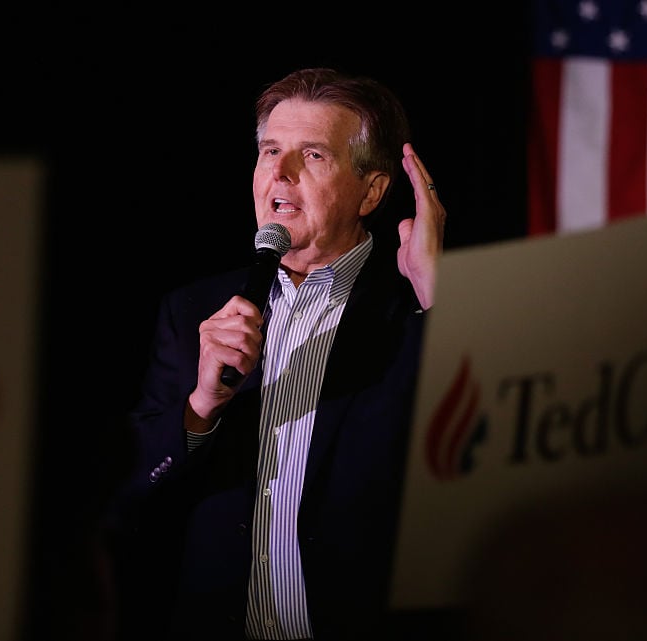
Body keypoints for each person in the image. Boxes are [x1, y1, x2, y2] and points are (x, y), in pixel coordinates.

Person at [109, 67, 446, 641]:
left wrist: (439, 292)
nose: (280, 174)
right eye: (270, 151)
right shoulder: (195, 309)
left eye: (312, 156)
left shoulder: (414, 312)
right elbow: (127, 492)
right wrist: (201, 406)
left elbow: (473, 469)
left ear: (371, 190)